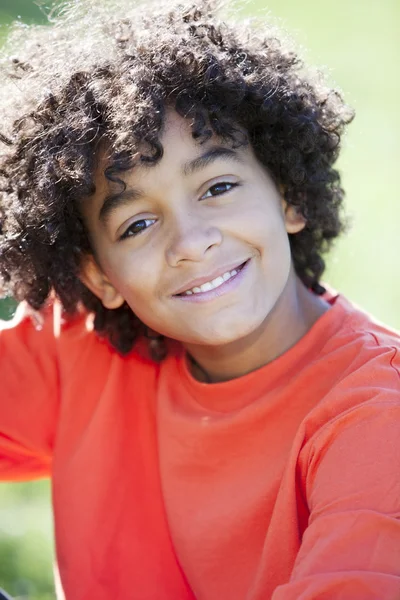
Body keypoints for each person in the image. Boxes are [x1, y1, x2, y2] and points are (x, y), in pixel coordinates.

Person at [0, 0, 399, 598]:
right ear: (99, 277)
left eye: (217, 186)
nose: (190, 243)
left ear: (289, 196)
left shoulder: (376, 416)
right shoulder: (79, 347)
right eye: (135, 224)